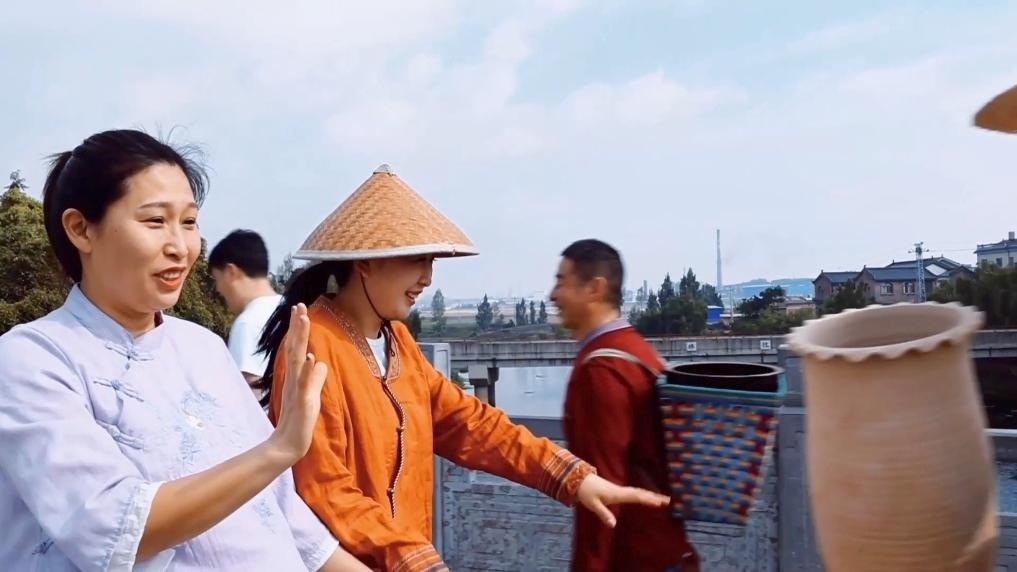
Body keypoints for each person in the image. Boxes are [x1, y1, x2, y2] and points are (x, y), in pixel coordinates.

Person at [258, 165, 671, 572]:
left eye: (432, 261)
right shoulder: (313, 346)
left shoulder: (398, 341)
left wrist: (574, 478)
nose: (427, 278)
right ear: (366, 262)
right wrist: (411, 558)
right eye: (417, 259)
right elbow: (323, 487)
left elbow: (471, 424)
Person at [0, 129, 367, 571]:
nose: (180, 247)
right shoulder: (32, 358)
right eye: (155, 221)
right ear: (81, 229)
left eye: (189, 222)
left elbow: (288, 520)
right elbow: (116, 528)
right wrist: (279, 448)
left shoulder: (204, 347)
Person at [550, 239, 699, 571]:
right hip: (666, 548)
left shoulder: (602, 369)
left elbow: (603, 486)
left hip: (636, 557)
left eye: (561, 282)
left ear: (595, 288)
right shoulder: (635, 350)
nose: (553, 295)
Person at [210, 229, 283, 400]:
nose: (218, 289)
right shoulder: (289, 308)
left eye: (217, 279)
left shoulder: (248, 324)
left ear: (231, 272)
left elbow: (250, 399)